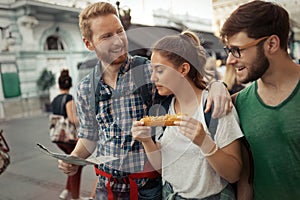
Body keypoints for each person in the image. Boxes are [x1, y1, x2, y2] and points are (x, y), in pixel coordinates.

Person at [57, 2, 231, 200]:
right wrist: (73, 158)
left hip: (149, 186)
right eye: (106, 36)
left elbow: (189, 86)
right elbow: (89, 137)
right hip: (108, 187)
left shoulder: (150, 71)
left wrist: (218, 87)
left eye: (119, 31)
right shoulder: (85, 88)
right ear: (89, 43)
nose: (118, 41)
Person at [132, 30, 244, 199]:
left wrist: (204, 142)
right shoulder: (163, 107)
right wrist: (147, 141)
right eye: (152, 71)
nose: (153, 78)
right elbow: (164, 168)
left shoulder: (214, 106)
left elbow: (234, 174)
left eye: (160, 70)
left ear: (183, 69)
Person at [220, 1, 300, 199]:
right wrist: (217, 86)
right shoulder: (238, 103)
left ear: (271, 44)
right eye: (229, 51)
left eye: (237, 50)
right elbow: (247, 178)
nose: (230, 60)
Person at [51, 69, 87, 200]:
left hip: (58, 138)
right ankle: (75, 197)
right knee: (76, 165)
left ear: (59, 85)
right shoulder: (69, 98)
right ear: (70, 85)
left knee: (69, 163)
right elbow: (73, 120)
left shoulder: (55, 99)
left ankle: (66, 191)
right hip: (69, 139)